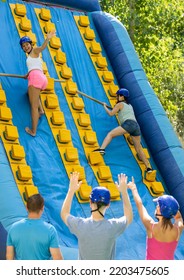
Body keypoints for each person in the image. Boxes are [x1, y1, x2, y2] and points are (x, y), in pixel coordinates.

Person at [61, 171, 133, 260]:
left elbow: (64, 213)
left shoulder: (80, 225)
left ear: (90, 202)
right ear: (108, 205)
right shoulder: (113, 227)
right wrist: (124, 192)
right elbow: (129, 217)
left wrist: (71, 190)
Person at [93, 88, 153, 173]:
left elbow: (111, 114)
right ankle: (148, 167)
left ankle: (102, 149)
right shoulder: (130, 106)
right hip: (136, 126)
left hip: (128, 124)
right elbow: (123, 112)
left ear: (122, 96)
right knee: (139, 148)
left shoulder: (120, 104)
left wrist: (105, 106)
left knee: (110, 134)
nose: (117, 97)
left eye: (118, 95)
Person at [128, 177, 184, 260]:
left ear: (160, 210)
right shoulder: (179, 228)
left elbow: (139, 205)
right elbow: (178, 217)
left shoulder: (150, 226)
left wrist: (134, 189)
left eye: (158, 205)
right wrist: (172, 207)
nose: (157, 206)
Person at [19, 30, 56, 136]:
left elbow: (42, 48)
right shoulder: (31, 56)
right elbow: (34, 67)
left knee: (33, 106)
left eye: (27, 44)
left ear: (31, 44)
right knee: (29, 94)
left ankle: (33, 131)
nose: (26, 47)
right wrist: (27, 75)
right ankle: (41, 111)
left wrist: (48, 38)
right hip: (39, 77)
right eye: (23, 46)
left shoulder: (35, 51)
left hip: (36, 78)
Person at [6, 193, 63, 260]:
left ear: (26, 207)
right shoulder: (50, 230)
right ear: (42, 208)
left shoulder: (13, 228)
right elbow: (58, 259)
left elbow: (9, 258)